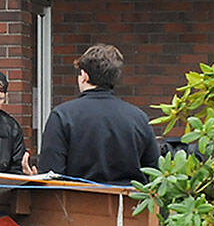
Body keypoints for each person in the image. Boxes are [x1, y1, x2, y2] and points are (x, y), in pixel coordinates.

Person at [35, 43, 159, 183]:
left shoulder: (62, 116)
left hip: (75, 201)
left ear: (84, 76)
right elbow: (153, 171)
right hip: (129, 202)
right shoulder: (139, 118)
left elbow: (50, 175)